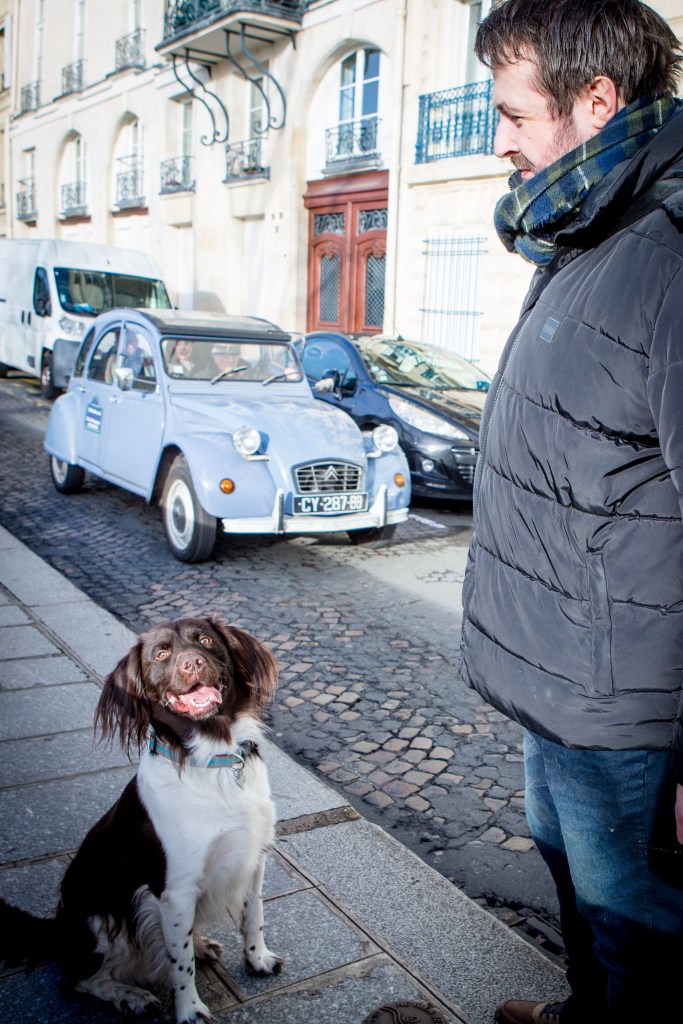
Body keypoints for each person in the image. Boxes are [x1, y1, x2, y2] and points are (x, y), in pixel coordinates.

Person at [457, 2, 683, 1022]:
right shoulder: (581, 228)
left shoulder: (666, 250)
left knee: (632, 919)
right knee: (568, 876)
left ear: (595, 102)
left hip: (620, 699)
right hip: (555, 676)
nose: (498, 141)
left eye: (513, 114)